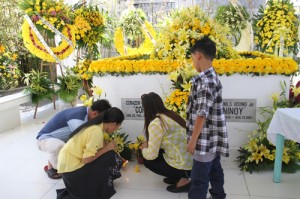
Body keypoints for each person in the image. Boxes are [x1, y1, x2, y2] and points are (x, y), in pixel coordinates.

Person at [186, 36, 229, 199]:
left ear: (198, 55)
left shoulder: (205, 81)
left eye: (192, 57)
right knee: (215, 169)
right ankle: (218, 195)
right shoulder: (212, 77)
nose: (192, 62)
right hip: (212, 138)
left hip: (204, 140)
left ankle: (216, 195)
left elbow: (201, 114)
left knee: (198, 180)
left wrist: (193, 140)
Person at [56, 107, 125, 199]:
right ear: (114, 124)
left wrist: (108, 149)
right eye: (118, 126)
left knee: (111, 154)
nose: (116, 129)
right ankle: (101, 185)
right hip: (72, 171)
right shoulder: (96, 131)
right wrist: (107, 149)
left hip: (68, 168)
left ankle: (101, 183)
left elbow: (98, 148)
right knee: (110, 156)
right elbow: (86, 160)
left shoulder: (96, 126)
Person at [36, 99, 111, 179]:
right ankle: (54, 168)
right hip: (44, 140)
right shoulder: (78, 119)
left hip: (59, 139)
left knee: (66, 147)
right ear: (95, 114)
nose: (102, 122)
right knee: (61, 148)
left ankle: (52, 164)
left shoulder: (87, 113)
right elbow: (83, 142)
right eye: (102, 119)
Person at [139, 92, 193, 193]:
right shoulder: (171, 115)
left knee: (147, 160)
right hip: (191, 160)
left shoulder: (156, 123)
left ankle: (184, 180)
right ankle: (177, 176)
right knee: (159, 152)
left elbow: (151, 155)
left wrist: (143, 149)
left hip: (185, 165)